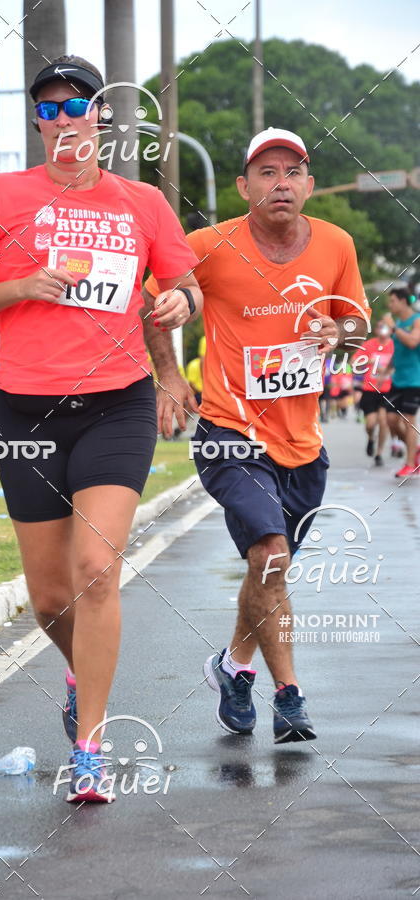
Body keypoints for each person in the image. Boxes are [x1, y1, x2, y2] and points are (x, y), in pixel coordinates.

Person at [0, 55, 202, 802]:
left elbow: (176, 286)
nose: (63, 119)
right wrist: (21, 285)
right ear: (37, 122)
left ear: (100, 115)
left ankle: (90, 748)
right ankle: (76, 671)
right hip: (26, 409)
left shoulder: (143, 203)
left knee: (96, 568)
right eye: (48, 108)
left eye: (76, 103)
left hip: (116, 405)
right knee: (50, 596)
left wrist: (178, 326)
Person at [143, 127, 369, 743]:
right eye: (266, 173)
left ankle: (233, 666)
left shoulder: (337, 245)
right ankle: (289, 696)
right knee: (271, 555)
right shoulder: (208, 246)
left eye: (292, 172)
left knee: (268, 570)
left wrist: (338, 338)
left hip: (303, 445)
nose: (281, 183)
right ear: (244, 187)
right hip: (228, 430)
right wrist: (168, 375)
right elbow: (157, 296)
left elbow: (357, 323)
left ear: (309, 186)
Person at [383, 288, 420, 477]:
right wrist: (386, 369)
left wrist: (394, 328)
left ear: (403, 301)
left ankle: (410, 463)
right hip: (398, 379)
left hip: (415, 380)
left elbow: (413, 342)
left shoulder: (416, 320)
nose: (390, 306)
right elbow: (398, 351)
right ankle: (416, 449)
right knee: (390, 420)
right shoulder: (398, 323)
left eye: (393, 301)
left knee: (408, 421)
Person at [352, 319, 394, 466]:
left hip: (388, 390)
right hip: (370, 389)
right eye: (380, 326)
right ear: (376, 330)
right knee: (370, 424)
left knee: (383, 422)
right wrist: (368, 361)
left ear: (390, 329)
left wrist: (389, 371)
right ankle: (371, 439)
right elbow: (353, 362)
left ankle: (379, 453)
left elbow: (401, 364)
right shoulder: (369, 345)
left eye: (386, 327)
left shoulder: (394, 346)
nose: (383, 329)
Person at [186, 336, 206, 405]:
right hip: (199, 393)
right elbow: (191, 384)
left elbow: (191, 383)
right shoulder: (193, 364)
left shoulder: (192, 364)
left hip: (201, 393)